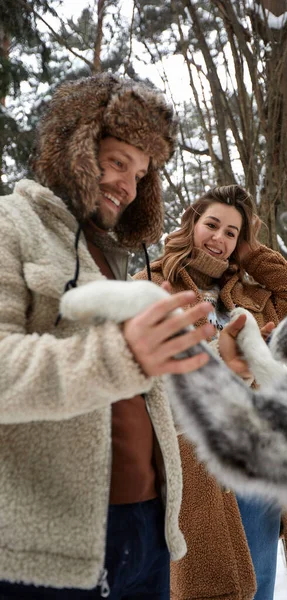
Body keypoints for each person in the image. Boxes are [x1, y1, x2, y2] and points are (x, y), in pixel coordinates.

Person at [0, 73, 216, 600]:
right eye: (118, 162)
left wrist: (200, 361)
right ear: (75, 144)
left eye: (141, 174)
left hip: (150, 536)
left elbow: (136, 388)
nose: (128, 185)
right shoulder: (11, 224)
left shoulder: (115, 258)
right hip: (50, 557)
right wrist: (122, 353)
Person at [134, 184, 287, 600]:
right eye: (212, 225)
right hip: (195, 475)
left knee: (258, 589)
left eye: (232, 233)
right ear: (192, 224)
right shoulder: (150, 286)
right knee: (206, 589)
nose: (219, 239)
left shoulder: (254, 297)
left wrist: (254, 253)